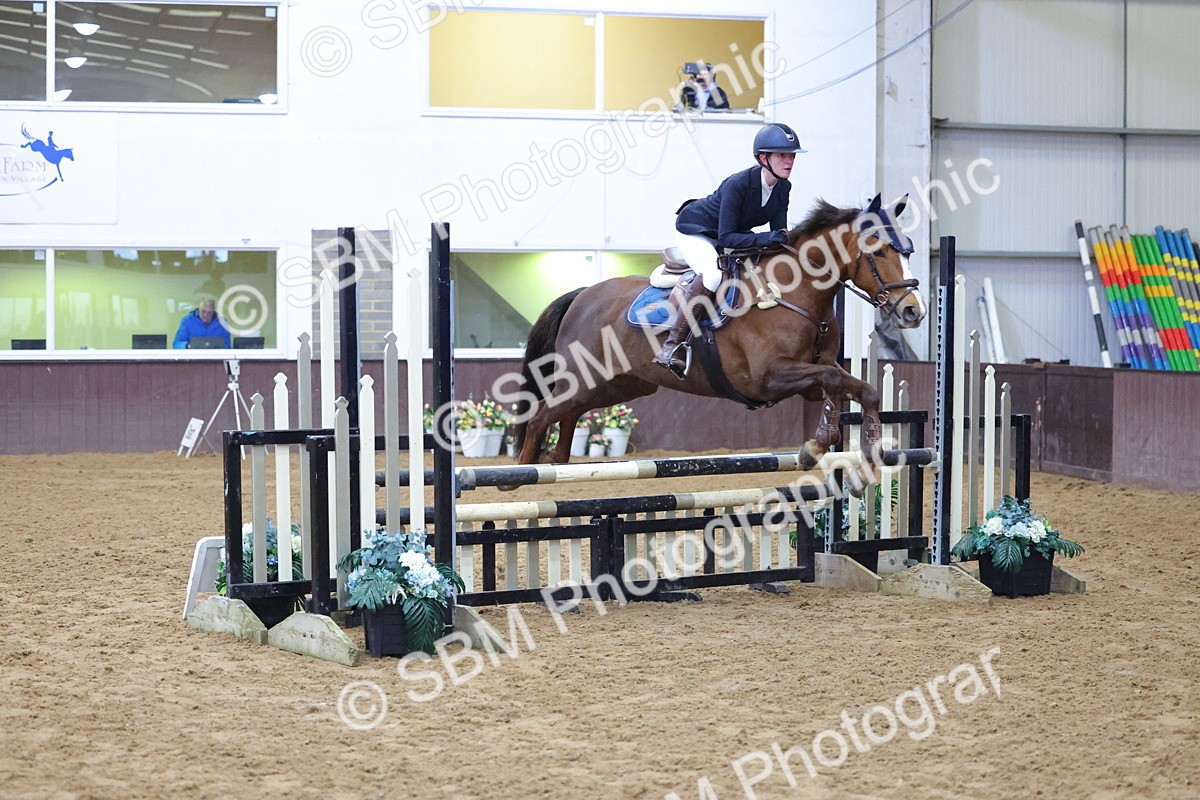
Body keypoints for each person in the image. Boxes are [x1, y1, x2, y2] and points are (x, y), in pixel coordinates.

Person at [652, 122, 807, 378]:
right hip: (696, 231)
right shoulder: (738, 184)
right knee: (712, 276)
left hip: (730, 233)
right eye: (782, 155)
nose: (789, 161)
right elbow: (727, 238)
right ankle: (671, 346)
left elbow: (778, 235)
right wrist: (768, 237)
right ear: (763, 158)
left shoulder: (783, 188)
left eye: (791, 155)